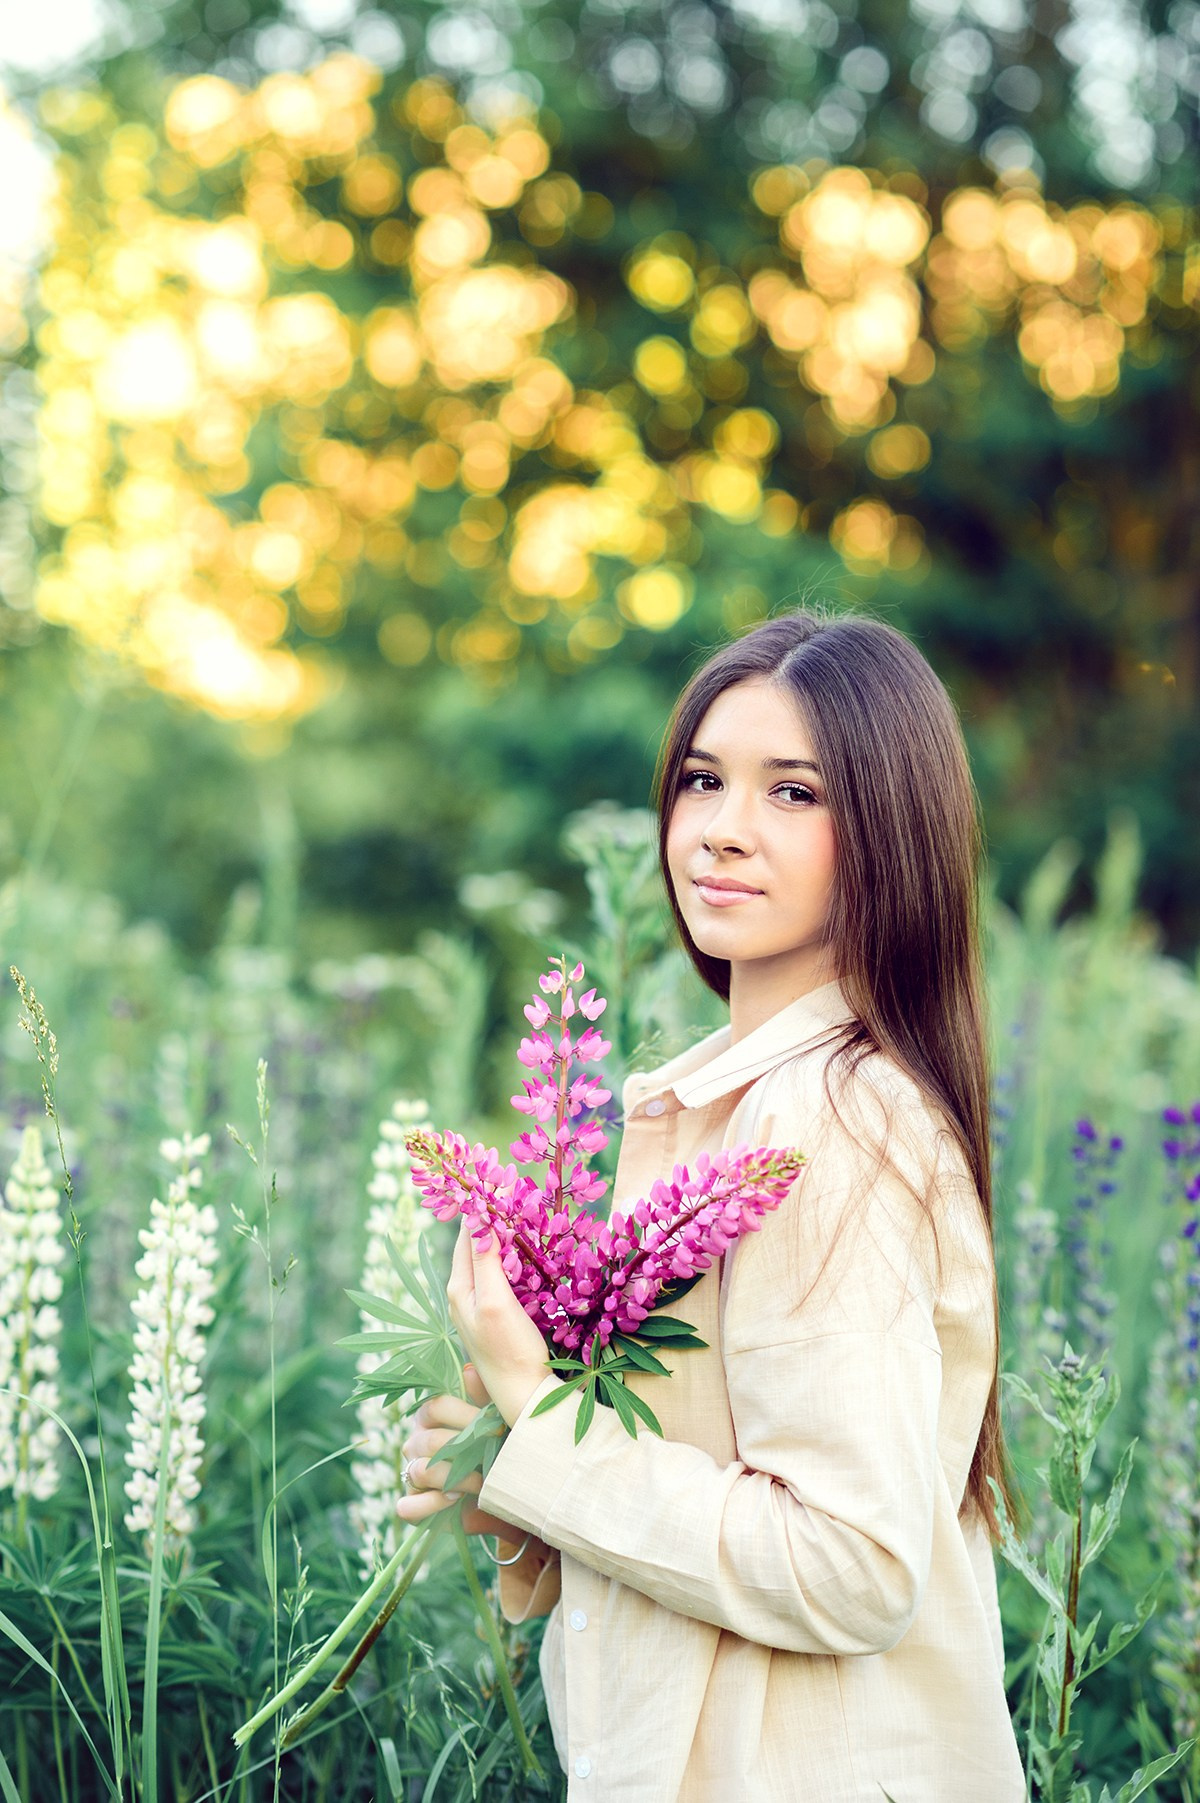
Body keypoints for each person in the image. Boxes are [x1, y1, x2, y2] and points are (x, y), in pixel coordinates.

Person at [397, 609, 1027, 1801]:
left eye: (794, 792)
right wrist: (516, 1481)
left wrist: (543, 1409)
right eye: (702, 780)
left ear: (892, 832)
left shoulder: (836, 1120)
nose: (723, 829)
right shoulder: (729, 1105)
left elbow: (850, 1566)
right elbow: (709, 1498)